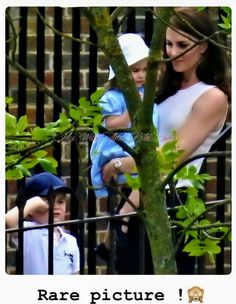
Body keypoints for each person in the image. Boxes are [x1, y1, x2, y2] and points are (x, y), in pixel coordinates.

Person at [102, 7, 230, 274]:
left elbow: (171, 157)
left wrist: (116, 165)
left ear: (204, 47)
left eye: (182, 44)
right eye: (168, 44)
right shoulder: (160, 89)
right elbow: (143, 137)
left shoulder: (211, 97)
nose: (173, 52)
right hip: (138, 194)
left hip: (173, 201)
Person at [90, 33, 158, 261]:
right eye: (134, 70)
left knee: (145, 180)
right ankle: (124, 218)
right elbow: (110, 126)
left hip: (141, 144)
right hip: (118, 147)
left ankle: (109, 240)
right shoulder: (112, 97)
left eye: (145, 69)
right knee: (148, 177)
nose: (140, 75)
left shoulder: (146, 95)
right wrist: (132, 110)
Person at [5, 172, 80, 275]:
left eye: (60, 201)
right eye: (48, 200)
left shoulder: (70, 240)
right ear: (31, 209)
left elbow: (75, 274)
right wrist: (35, 202)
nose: (55, 206)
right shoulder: (27, 231)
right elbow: (8, 220)